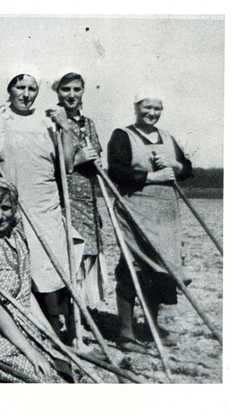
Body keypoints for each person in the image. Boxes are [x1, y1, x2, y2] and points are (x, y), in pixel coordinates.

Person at [0, 68, 82, 345]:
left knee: (52, 267)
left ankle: (62, 333)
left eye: (32, 89)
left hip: (46, 204)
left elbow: (66, 165)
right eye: (20, 87)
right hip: (12, 205)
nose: (26, 94)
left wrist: (65, 128)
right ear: (9, 89)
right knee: (20, 265)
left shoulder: (48, 122)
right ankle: (27, 330)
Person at [0, 178, 73, 383]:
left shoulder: (17, 238)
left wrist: (49, 334)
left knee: (66, 370)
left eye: (6, 208)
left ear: (15, 209)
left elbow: (25, 293)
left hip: (25, 326)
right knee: (41, 380)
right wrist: (32, 353)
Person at [108, 88, 192, 352]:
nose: (152, 113)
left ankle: (152, 329)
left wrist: (175, 166)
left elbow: (187, 168)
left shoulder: (167, 137)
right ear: (136, 107)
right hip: (134, 210)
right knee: (132, 267)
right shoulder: (123, 135)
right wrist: (151, 177)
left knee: (159, 270)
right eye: (147, 107)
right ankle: (126, 333)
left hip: (165, 214)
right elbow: (116, 172)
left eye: (157, 108)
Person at [47, 71, 105, 310]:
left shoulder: (88, 123)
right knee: (73, 254)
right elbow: (52, 162)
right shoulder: (51, 122)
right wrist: (79, 158)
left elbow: (97, 155)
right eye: (65, 89)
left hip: (88, 197)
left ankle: (84, 311)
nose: (71, 95)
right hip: (65, 198)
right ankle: (71, 317)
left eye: (76, 89)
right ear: (57, 92)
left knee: (89, 253)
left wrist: (96, 163)